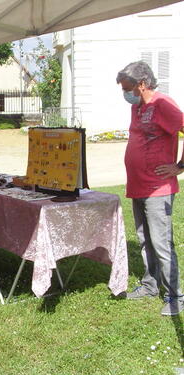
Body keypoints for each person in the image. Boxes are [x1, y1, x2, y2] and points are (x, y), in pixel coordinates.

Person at [116, 61, 183, 316]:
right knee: (145, 240)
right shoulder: (139, 106)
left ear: (142, 84)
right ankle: (150, 285)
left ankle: (176, 295)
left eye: (127, 88)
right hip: (138, 185)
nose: (125, 93)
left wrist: (180, 166)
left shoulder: (163, 104)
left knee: (162, 243)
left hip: (158, 188)